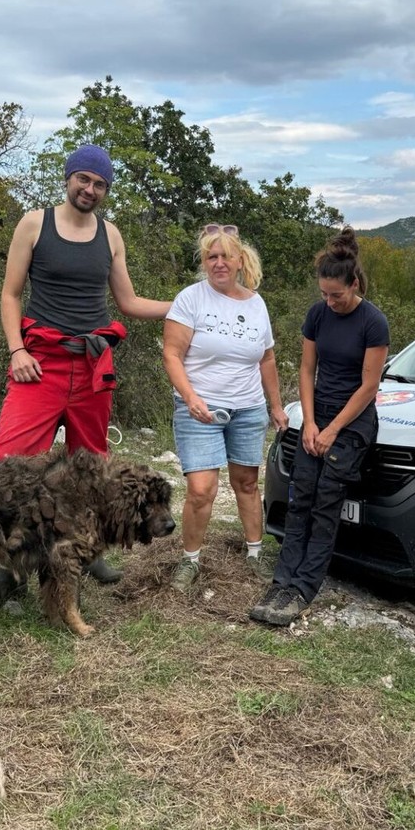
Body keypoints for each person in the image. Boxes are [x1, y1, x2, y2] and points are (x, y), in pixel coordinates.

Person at [0, 144, 172, 609]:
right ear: (68, 179)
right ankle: (8, 572)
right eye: (84, 179)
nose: (90, 189)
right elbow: (10, 295)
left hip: (91, 367)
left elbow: (128, 303)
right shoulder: (34, 223)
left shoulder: (112, 235)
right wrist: (16, 349)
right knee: (11, 466)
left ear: (106, 190)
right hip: (38, 362)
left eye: (100, 184)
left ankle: (90, 555)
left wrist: (187, 305)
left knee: (92, 469)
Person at [250, 228, 389, 626]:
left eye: (337, 295)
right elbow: (308, 369)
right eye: (324, 294)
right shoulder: (317, 314)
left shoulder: (373, 321)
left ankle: (304, 587)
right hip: (318, 414)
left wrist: (332, 432)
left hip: (353, 421)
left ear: (355, 284)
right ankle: (282, 580)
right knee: (301, 497)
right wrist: (308, 422)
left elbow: (368, 386)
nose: (330, 301)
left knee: (327, 499)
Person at [162, 224, 290, 593]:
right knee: (202, 489)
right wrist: (190, 397)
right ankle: (189, 561)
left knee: (247, 483)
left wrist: (275, 406)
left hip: (247, 409)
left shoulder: (256, 303)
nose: (218, 263)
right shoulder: (190, 299)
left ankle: (254, 554)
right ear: (205, 262)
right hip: (200, 407)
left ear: (239, 261)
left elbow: (266, 359)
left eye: (225, 256)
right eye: (211, 257)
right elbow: (171, 354)